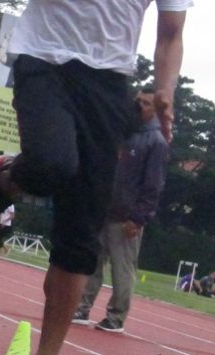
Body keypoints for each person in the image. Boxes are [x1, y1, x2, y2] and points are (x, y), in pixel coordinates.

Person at [0, 0, 190, 351]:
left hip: (108, 83)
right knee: (52, 162)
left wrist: (166, 87)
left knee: (80, 238)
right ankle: (6, 179)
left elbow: (171, 33)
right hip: (44, 58)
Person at [71, 90, 169, 332]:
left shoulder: (156, 141)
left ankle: (116, 318)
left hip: (127, 217)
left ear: (155, 110)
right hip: (104, 209)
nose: (139, 106)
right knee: (92, 263)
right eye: (138, 100)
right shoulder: (122, 131)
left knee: (121, 269)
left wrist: (138, 217)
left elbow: (153, 185)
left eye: (146, 103)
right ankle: (82, 307)